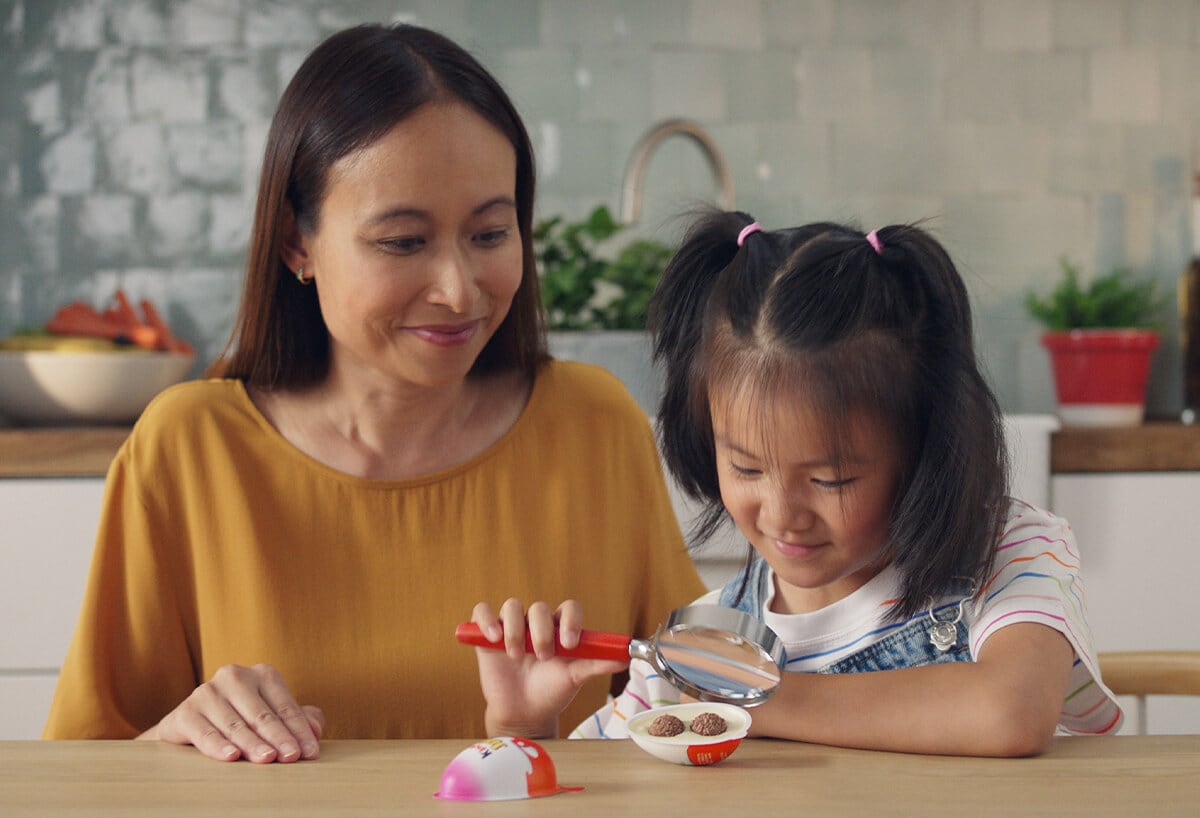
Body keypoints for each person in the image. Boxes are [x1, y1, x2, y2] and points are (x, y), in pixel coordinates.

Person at [41, 23, 706, 762]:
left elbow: (696, 719)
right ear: (298, 241)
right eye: (403, 242)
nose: (458, 291)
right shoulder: (189, 449)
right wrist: (173, 733)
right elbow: (77, 774)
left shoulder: (596, 425)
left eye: (491, 233)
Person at [468, 212, 1123, 756]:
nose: (782, 515)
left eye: (830, 478)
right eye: (747, 468)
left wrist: (756, 694)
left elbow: (1009, 712)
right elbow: (607, 787)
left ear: (924, 448)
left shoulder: (1007, 551)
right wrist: (524, 728)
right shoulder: (707, 639)